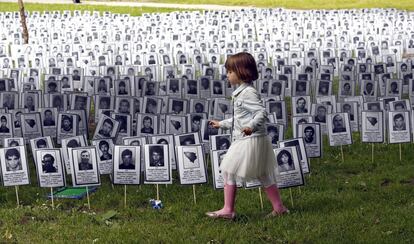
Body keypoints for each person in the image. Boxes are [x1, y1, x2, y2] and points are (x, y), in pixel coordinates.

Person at [206, 52, 288, 219]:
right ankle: (279, 208)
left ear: (241, 71)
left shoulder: (248, 93)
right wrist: (221, 124)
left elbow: (261, 113)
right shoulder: (241, 93)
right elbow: (239, 118)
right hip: (250, 138)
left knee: (228, 170)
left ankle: (228, 210)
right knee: (263, 173)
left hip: (249, 139)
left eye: (230, 72)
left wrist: (250, 126)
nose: (227, 75)